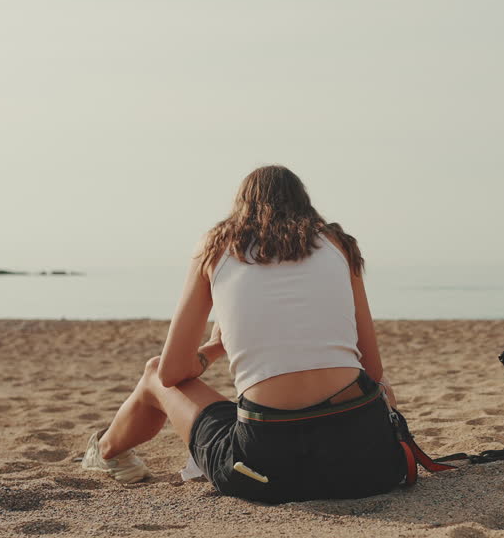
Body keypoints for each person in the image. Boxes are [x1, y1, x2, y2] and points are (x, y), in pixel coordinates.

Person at [81, 165, 405, 502]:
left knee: (152, 373)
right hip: (366, 468)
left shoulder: (217, 245)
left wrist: (214, 347)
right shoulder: (339, 244)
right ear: (304, 203)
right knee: (379, 389)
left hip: (264, 472)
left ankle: (107, 453)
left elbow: (171, 372)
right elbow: (374, 371)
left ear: (241, 205)